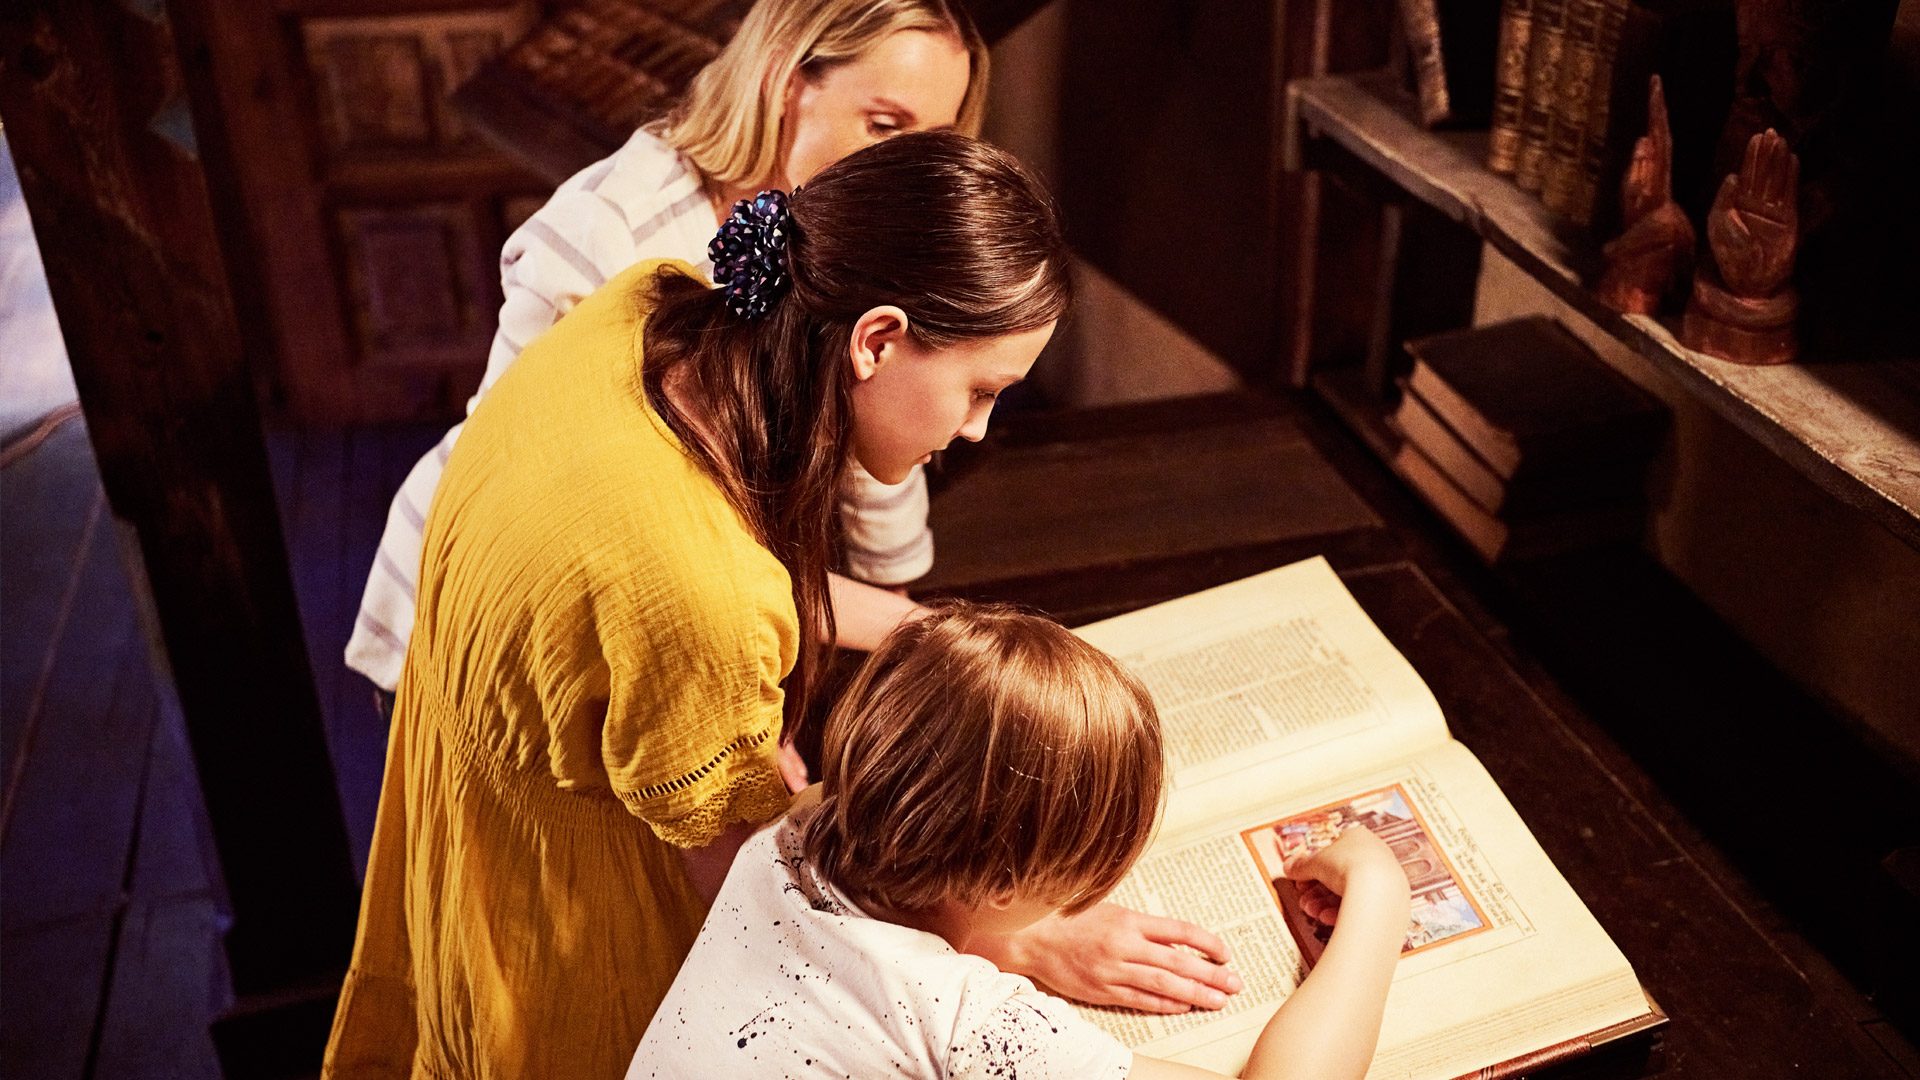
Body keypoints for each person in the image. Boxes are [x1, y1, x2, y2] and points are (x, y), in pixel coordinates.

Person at [321, 132, 1232, 1080]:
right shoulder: (700, 598)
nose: (976, 430)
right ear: (877, 340)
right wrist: (1020, 938)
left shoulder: (647, 312)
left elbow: (654, 577)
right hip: (569, 921)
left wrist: (924, 631)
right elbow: (771, 904)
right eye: (980, 389)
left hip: (466, 802)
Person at [345, 0, 991, 702]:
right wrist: (732, 704)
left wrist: (893, 608)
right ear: (783, 80)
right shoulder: (608, 235)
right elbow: (587, 518)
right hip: (501, 598)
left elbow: (871, 410)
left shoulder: (843, 220)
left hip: (682, 590)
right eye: (884, 126)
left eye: (931, 142)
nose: (905, 169)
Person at [627, 603, 1414, 1080]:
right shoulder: (962, 1017)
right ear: (1004, 888)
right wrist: (1380, 897)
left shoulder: (795, 831)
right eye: (1076, 876)